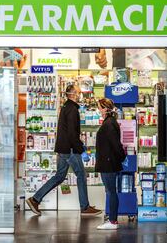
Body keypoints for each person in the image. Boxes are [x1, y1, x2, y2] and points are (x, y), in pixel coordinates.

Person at [26, 85, 102, 216]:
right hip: (70, 150)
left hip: (63, 148)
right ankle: (84, 207)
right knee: (82, 175)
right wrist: (80, 150)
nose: (80, 95)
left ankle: (35, 199)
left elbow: (67, 131)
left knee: (59, 177)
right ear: (72, 94)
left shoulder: (66, 107)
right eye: (78, 92)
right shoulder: (72, 109)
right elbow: (72, 134)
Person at [95, 98, 126, 230]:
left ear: (105, 108)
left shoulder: (109, 124)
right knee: (110, 191)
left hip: (108, 163)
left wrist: (121, 157)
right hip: (108, 161)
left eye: (99, 108)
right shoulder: (110, 122)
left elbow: (116, 145)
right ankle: (112, 219)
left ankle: (113, 221)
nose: (98, 110)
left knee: (111, 191)